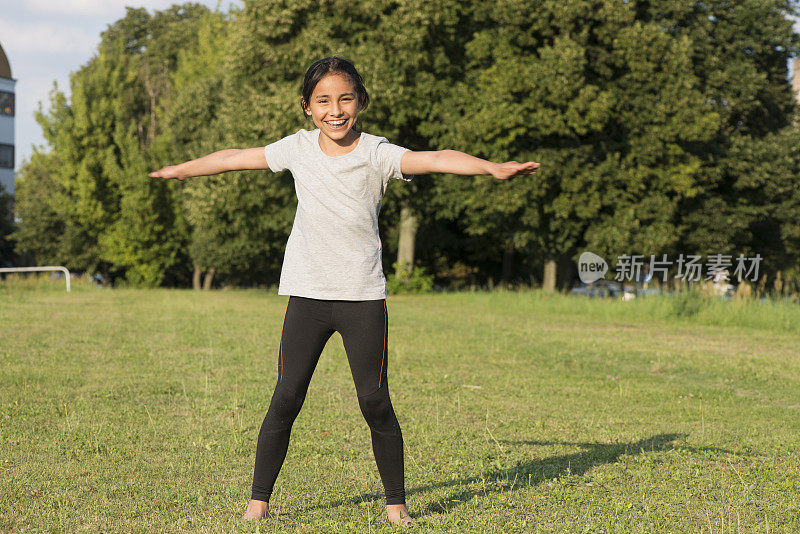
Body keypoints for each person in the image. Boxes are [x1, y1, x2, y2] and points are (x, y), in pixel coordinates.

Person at [149, 56, 540, 526]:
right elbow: (235, 158)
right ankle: (258, 501)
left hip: (362, 298)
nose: (335, 110)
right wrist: (185, 170)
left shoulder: (375, 152)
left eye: (345, 99)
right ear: (307, 108)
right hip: (308, 297)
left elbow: (435, 158)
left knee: (374, 400)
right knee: (287, 396)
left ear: (361, 103)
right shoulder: (296, 149)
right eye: (323, 101)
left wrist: (491, 168)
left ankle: (396, 504)